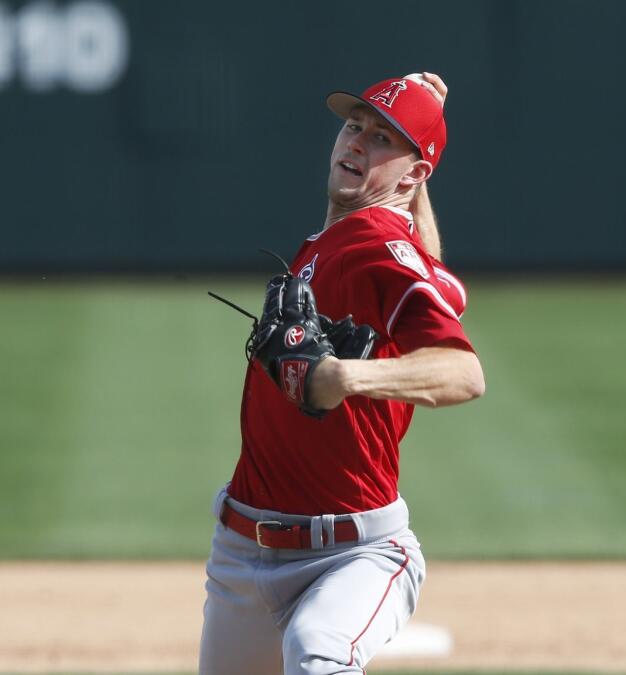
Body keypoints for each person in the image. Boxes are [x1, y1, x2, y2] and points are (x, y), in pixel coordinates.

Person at [198, 72, 485, 675]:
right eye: (355, 126)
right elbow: (440, 281)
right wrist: (418, 146)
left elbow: (463, 372)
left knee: (318, 653)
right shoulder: (345, 239)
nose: (357, 143)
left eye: (384, 138)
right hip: (241, 554)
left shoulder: (371, 246)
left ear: (412, 174)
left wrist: (346, 377)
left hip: (354, 553)